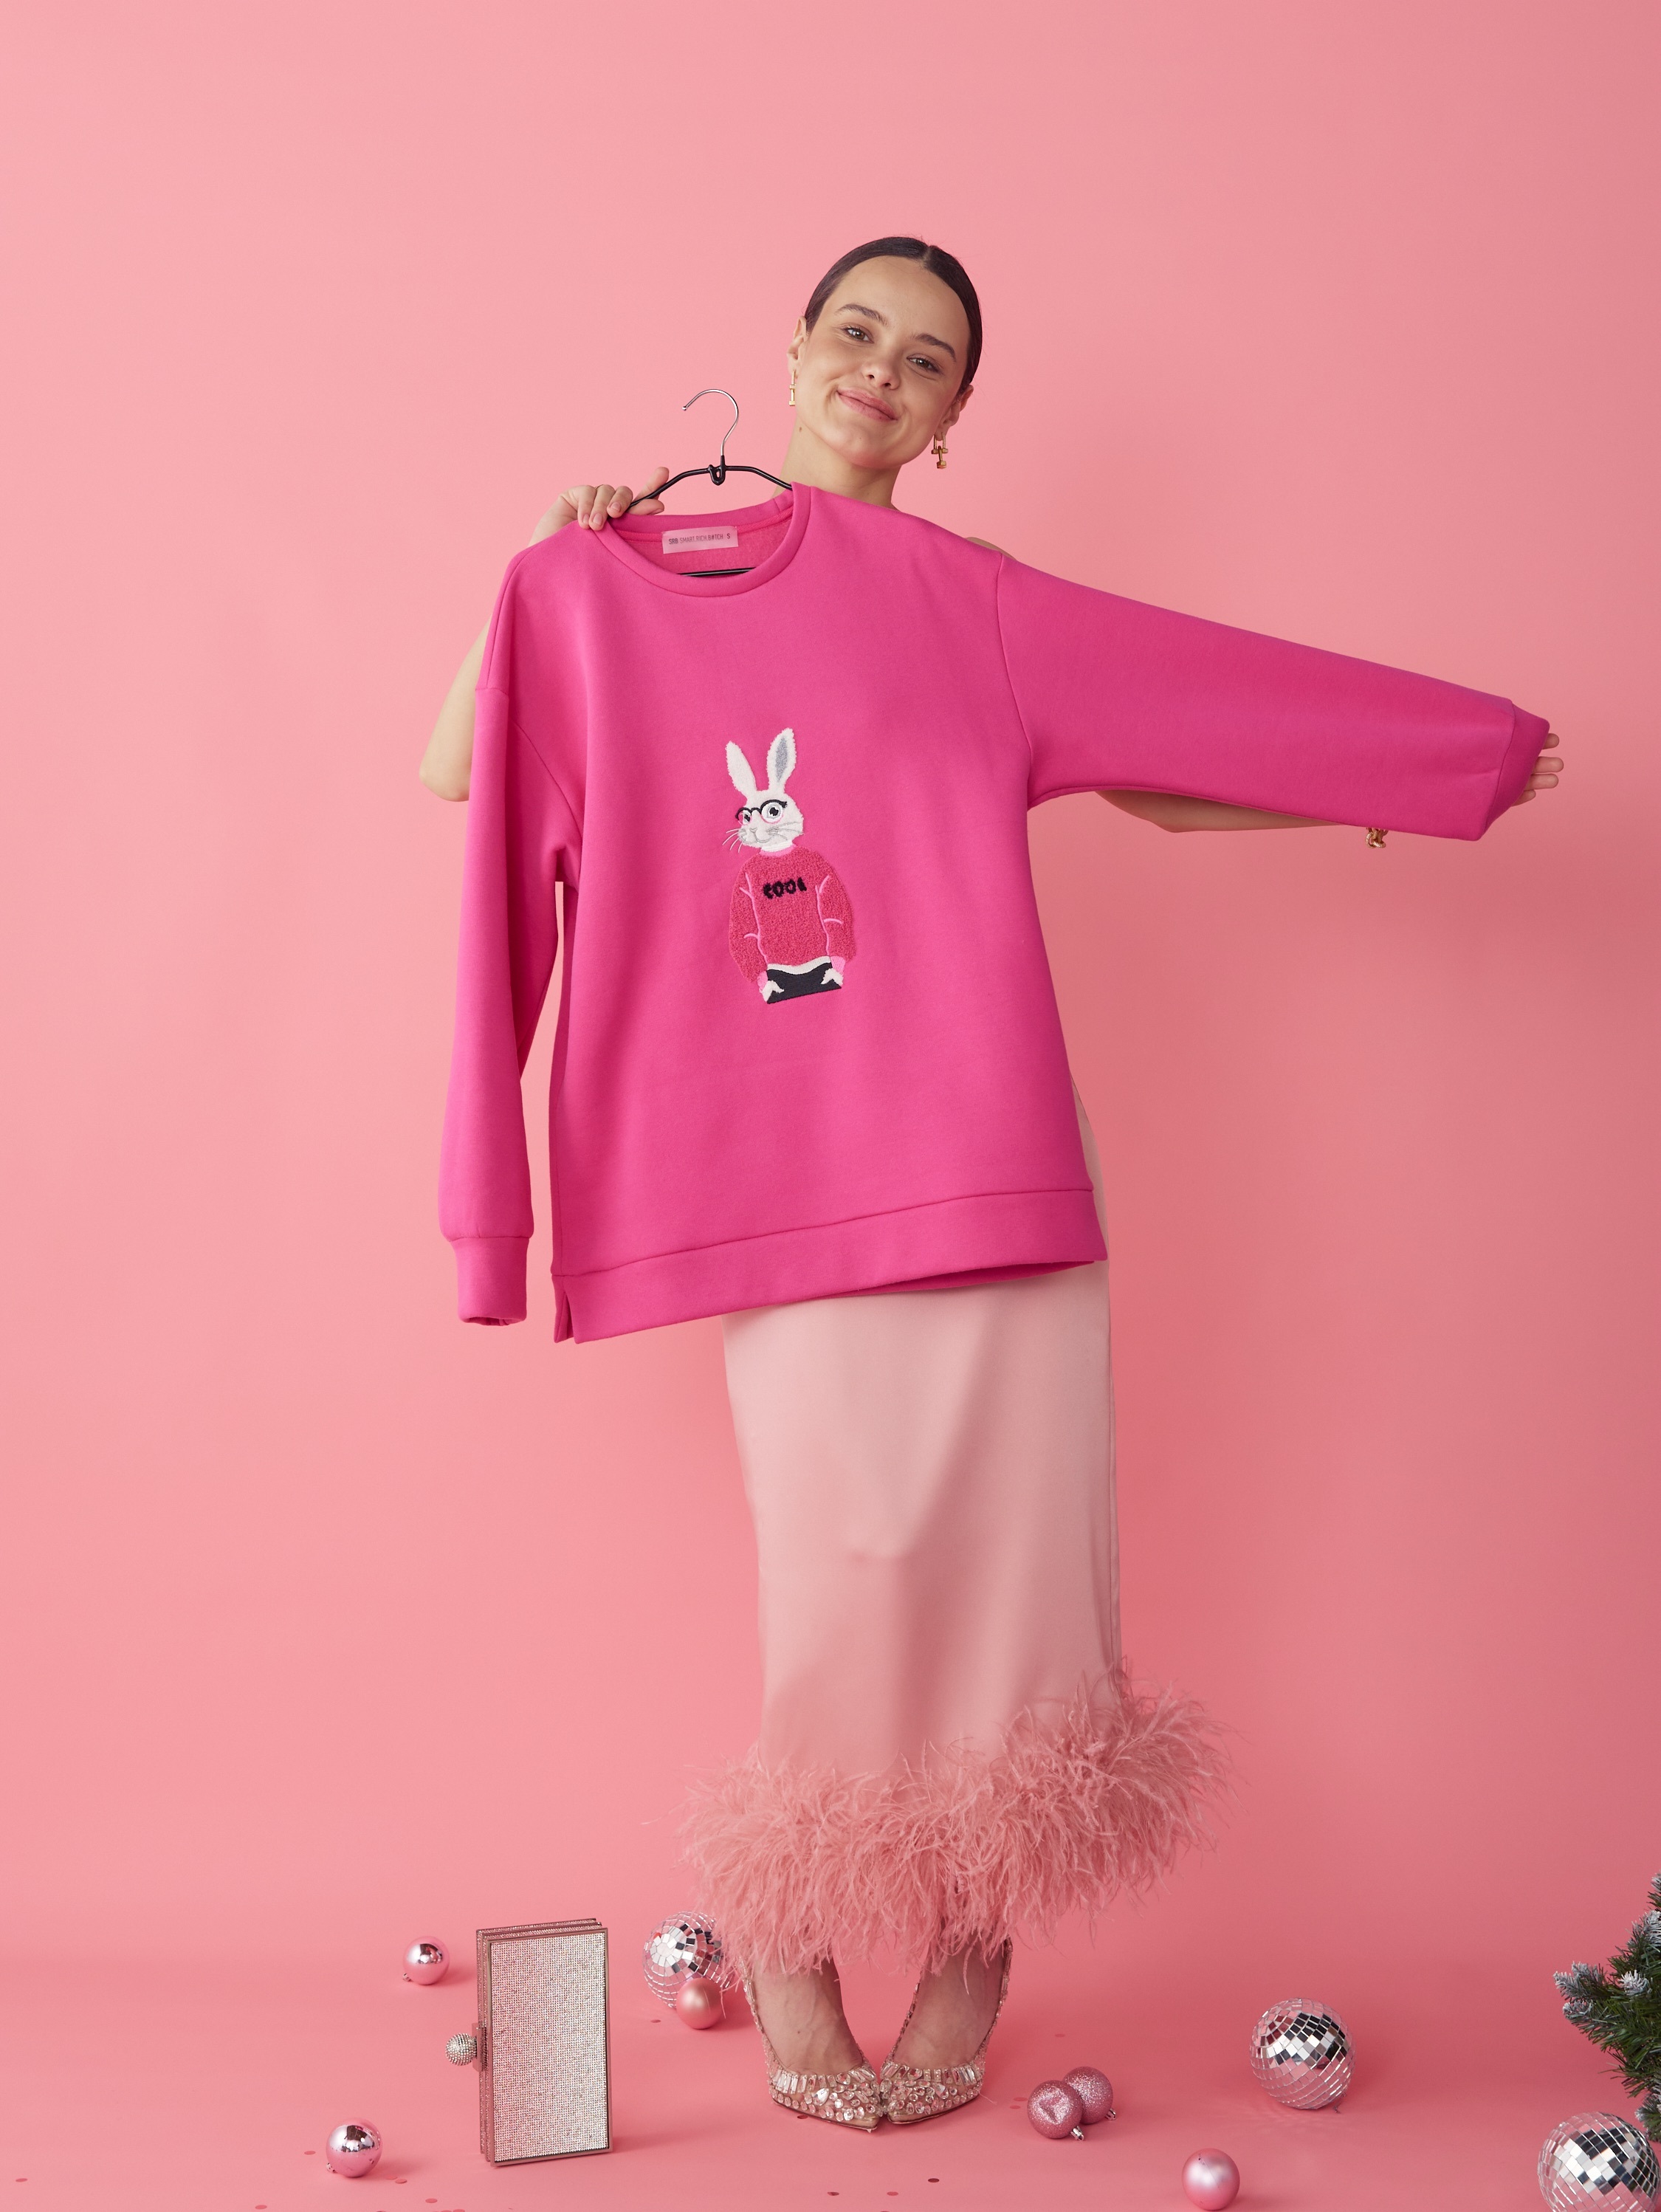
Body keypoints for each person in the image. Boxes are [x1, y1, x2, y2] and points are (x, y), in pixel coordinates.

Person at [420, 237, 1562, 2132]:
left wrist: (1433, 773)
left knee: (1027, 1571)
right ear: (796, 349)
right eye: (860, 331)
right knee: (848, 1561)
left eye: (929, 358)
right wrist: (530, 577)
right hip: (772, 1181)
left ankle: (976, 1929)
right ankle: (793, 1920)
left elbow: (1185, 744)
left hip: (989, 1149)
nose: (884, 368)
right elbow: (461, 773)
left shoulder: (969, 600)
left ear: (952, 417)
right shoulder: (585, 591)